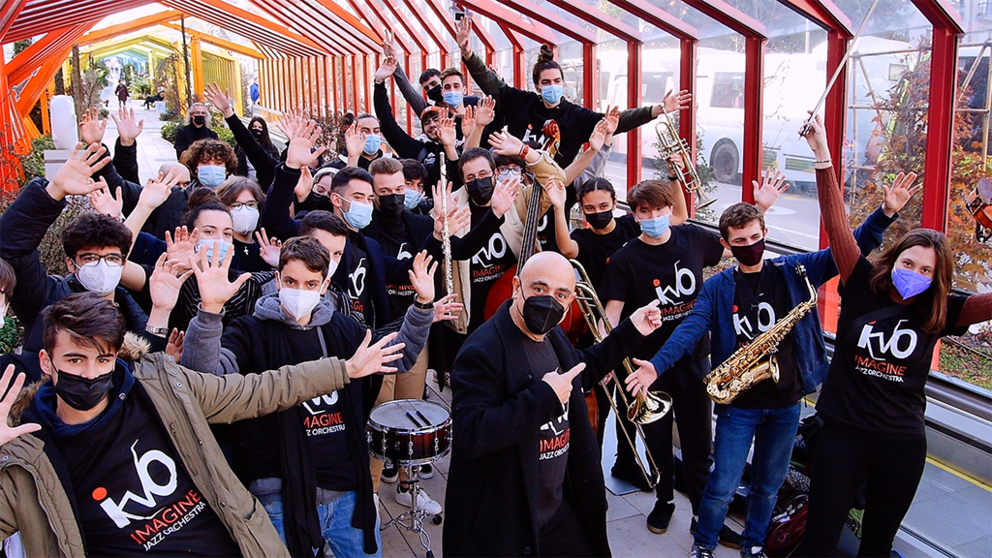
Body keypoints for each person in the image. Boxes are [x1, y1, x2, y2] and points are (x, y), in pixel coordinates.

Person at [625, 181, 912, 558]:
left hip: (786, 404)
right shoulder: (718, 288)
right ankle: (705, 544)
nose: (749, 245)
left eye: (755, 237)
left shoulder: (795, 271)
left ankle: (754, 544)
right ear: (726, 245)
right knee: (721, 485)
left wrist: (885, 214)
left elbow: (848, 248)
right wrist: (655, 366)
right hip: (739, 405)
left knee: (768, 487)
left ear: (765, 233)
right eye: (740, 241)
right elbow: (690, 329)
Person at [0, 289, 404, 557]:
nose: (90, 374)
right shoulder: (25, 453)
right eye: (75, 360)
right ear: (46, 361)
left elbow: (256, 391)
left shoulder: (159, 385)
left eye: (103, 359)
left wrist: (343, 370)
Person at [792, 116, 992, 557]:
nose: (915, 273)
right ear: (894, 259)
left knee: (878, 545)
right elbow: (837, 226)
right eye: (909, 263)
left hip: (901, 444)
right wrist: (822, 155)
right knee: (819, 539)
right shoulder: (862, 284)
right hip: (842, 436)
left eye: (926, 270)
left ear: (937, 277)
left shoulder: (941, 310)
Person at [180, 237, 436, 557]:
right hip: (278, 492)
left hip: (346, 490)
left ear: (325, 285)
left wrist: (423, 305)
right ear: (277, 280)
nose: (299, 291)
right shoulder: (249, 332)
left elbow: (398, 356)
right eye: (291, 282)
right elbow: (203, 384)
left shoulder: (343, 329)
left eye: (310, 283)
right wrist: (210, 311)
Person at [443, 251, 663, 558]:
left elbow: (581, 370)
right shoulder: (482, 350)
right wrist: (544, 398)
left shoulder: (552, 335)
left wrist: (632, 330)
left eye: (560, 294)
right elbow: (471, 434)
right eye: (539, 288)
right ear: (517, 287)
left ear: (571, 300)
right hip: (508, 518)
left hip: (557, 510)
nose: (549, 301)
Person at [0, 144, 157, 382]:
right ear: (71, 263)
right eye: (91, 258)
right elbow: (12, 247)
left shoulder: (136, 310)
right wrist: (53, 191)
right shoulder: (46, 299)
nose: (102, 266)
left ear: (123, 263)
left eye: (112, 258)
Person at [374, 57, 459, 192]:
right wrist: (379, 84)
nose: (432, 124)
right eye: (427, 122)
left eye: (436, 119)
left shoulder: (463, 142)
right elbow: (387, 124)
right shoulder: (418, 150)